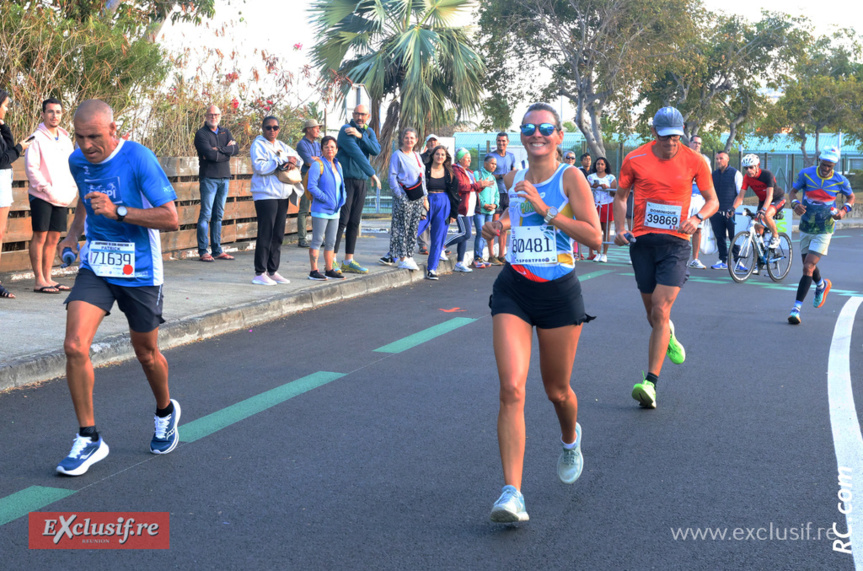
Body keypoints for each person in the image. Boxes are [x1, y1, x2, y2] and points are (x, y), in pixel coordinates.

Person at [482, 102, 601, 523]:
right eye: (529, 127)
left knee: (557, 391)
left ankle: (570, 437)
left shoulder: (571, 178)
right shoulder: (512, 180)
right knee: (512, 389)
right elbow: (508, 220)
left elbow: (595, 238)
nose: (537, 134)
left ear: (558, 136)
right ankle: (511, 494)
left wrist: (547, 208)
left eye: (545, 128)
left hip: (559, 293)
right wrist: (494, 225)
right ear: (521, 134)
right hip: (514, 288)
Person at [55, 99, 180, 476]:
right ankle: (89, 437)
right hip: (98, 264)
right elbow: (83, 202)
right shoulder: (77, 161)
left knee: (146, 352)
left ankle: (164, 410)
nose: (86, 145)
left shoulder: (139, 158)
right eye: (79, 137)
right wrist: (72, 236)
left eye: (94, 136)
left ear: (115, 130)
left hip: (140, 269)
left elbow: (172, 218)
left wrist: (119, 211)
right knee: (75, 345)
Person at [613, 106, 717, 409]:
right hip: (643, 243)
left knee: (659, 309)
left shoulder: (695, 160)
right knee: (654, 316)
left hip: (677, 244)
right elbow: (620, 197)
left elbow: (713, 201)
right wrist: (620, 228)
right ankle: (668, 334)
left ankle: (650, 383)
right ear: (653, 132)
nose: (672, 143)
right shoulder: (635, 158)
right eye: (666, 136)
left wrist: (697, 219)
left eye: (676, 137)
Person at [786, 146, 854, 325]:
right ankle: (822, 284)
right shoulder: (806, 174)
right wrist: (794, 204)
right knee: (807, 265)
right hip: (807, 225)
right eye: (824, 164)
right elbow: (792, 192)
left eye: (830, 166)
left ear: (834, 165)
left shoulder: (841, 180)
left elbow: (851, 198)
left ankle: (796, 309)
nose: (826, 168)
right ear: (820, 161)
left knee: (808, 266)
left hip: (825, 227)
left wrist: (843, 211)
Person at [25, 97, 77, 293]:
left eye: (58, 112)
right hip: (42, 195)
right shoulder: (35, 138)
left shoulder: (65, 139)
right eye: (50, 111)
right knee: (40, 235)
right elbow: (32, 169)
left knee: (54, 237)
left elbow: (71, 166)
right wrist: (46, 188)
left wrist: (71, 189)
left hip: (62, 196)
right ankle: (39, 280)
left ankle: (48, 278)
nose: (54, 115)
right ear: (43, 114)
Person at [249, 116, 302, 286]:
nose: (272, 130)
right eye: (268, 127)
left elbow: (297, 158)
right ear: (262, 129)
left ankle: (272, 270)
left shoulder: (280, 145)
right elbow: (260, 167)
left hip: (282, 194)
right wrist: (281, 160)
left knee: (278, 234)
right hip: (265, 194)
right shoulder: (258, 145)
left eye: (275, 127)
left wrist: (292, 161)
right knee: (266, 232)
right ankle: (260, 272)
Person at [334, 104, 381, 274]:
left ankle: (348, 260)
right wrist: (372, 173)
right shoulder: (345, 130)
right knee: (343, 220)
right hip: (346, 180)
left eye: (363, 114)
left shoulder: (368, 132)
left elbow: (376, 149)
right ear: (353, 114)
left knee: (355, 221)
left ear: (368, 116)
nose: (360, 117)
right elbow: (357, 154)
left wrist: (361, 136)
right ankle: (331, 259)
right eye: (357, 114)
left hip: (361, 182)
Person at [193, 104, 238, 262]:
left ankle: (217, 250)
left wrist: (218, 150)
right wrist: (225, 151)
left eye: (216, 114)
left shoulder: (225, 131)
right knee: (206, 214)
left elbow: (235, 149)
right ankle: (203, 250)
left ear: (220, 116)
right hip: (209, 178)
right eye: (211, 114)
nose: (214, 117)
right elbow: (209, 155)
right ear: (206, 116)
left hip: (224, 178)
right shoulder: (201, 134)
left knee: (218, 215)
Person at [0, 88, 33, 299]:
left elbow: (7, 149)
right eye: (4, 105)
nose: (6, 109)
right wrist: (21, 147)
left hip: (3, 182)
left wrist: (4, 126)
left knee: (0, 233)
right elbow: (4, 159)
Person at [305, 135, 347, 280]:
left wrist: (343, 199)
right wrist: (326, 199)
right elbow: (312, 186)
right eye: (326, 147)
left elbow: (342, 186)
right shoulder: (318, 164)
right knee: (317, 240)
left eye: (332, 147)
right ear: (322, 149)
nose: (330, 149)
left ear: (336, 149)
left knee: (331, 241)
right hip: (321, 210)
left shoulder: (338, 165)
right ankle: (313, 271)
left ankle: (329, 269)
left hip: (335, 211)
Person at [385, 127, 426, 271]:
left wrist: (424, 196)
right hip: (403, 196)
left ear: (416, 140)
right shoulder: (398, 155)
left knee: (413, 228)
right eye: (407, 137)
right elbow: (392, 176)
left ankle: (409, 255)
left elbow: (422, 177)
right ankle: (402, 258)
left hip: (417, 197)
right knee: (402, 227)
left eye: (412, 138)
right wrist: (399, 195)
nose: (409, 140)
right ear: (402, 139)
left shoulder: (417, 155)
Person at [446, 148, 493, 273]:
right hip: (462, 208)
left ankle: (459, 263)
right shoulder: (456, 170)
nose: (469, 160)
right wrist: (478, 185)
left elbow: (473, 189)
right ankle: (442, 246)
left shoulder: (469, 172)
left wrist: (482, 186)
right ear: (460, 159)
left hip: (471, 208)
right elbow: (462, 187)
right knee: (466, 233)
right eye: (467, 158)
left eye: (470, 158)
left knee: (465, 237)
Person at [417, 146, 458, 280]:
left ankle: (432, 269)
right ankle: (394, 255)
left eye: (443, 155)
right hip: (427, 201)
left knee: (438, 237)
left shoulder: (449, 173)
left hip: (443, 202)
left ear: (446, 157)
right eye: (437, 154)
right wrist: (423, 201)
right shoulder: (425, 168)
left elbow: (454, 194)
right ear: (433, 155)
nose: (440, 157)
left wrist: (453, 214)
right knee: (415, 228)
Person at [732, 154, 785, 253]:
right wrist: (732, 208)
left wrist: (764, 210)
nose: (748, 170)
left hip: (777, 198)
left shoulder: (767, 175)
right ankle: (760, 257)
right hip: (763, 201)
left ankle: (775, 236)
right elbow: (740, 197)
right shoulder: (747, 178)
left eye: (751, 167)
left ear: (757, 165)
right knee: (757, 228)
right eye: (746, 168)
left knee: (766, 215)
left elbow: (770, 196)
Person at [709, 151, 743, 269]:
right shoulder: (713, 175)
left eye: (721, 158)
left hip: (731, 213)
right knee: (720, 237)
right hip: (716, 212)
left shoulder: (736, 173)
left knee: (734, 237)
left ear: (727, 159)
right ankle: (722, 260)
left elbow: (740, 195)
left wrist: (734, 208)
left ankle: (738, 261)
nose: (718, 161)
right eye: (717, 159)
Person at [489, 132, 516, 265]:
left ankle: (501, 255)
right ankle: (491, 255)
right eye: (499, 141)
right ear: (496, 141)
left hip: (508, 194)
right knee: (494, 226)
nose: (501, 143)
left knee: (504, 226)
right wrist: (502, 176)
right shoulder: (491, 156)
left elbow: (513, 172)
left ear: (508, 142)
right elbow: (487, 174)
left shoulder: (511, 156)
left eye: (504, 141)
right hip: (495, 193)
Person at [296, 119, 323, 249]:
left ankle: (317, 238)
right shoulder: (301, 144)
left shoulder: (318, 145)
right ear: (308, 129)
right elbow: (308, 162)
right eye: (315, 128)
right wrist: (316, 160)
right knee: (304, 209)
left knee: (317, 208)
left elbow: (323, 160)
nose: (318, 130)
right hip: (306, 177)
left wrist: (315, 159)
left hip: (318, 178)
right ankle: (302, 238)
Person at [686, 136, 711, 269]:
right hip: (684, 196)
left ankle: (695, 259)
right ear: (690, 143)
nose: (697, 145)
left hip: (699, 198)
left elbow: (707, 179)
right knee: (681, 228)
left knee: (697, 229)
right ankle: (680, 257)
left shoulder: (705, 159)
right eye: (695, 143)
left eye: (699, 143)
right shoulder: (683, 156)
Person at [586, 156, 617, 262]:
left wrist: (607, 188)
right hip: (594, 205)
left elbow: (615, 192)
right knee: (596, 231)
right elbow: (585, 191)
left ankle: (604, 254)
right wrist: (592, 187)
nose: (599, 166)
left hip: (607, 204)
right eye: (598, 164)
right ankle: (598, 252)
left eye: (602, 164)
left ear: (605, 166)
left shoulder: (610, 177)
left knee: (606, 230)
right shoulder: (590, 177)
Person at [473, 154, 499, 267]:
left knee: (485, 234)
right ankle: (477, 258)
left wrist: (495, 204)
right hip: (480, 210)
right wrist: (484, 204)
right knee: (480, 231)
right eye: (492, 163)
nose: (494, 166)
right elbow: (476, 192)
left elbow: (497, 194)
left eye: (495, 164)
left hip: (490, 212)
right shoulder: (477, 174)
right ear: (485, 164)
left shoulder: (493, 177)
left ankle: (481, 257)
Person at [416, 134, 438, 256]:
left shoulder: (442, 157)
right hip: (424, 192)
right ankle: (422, 245)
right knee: (423, 217)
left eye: (434, 141)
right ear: (426, 143)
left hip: (437, 192)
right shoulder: (420, 158)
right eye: (430, 141)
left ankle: (438, 245)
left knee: (437, 219)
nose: (432, 143)